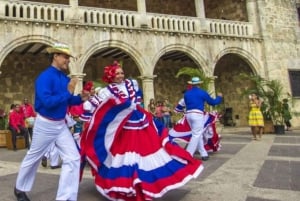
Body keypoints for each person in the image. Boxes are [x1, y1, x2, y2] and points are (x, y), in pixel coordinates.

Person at [80, 61, 203, 201]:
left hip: (140, 122)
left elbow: (136, 100)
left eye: (122, 73)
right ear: (111, 76)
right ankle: (129, 185)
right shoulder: (106, 91)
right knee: (126, 155)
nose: (120, 76)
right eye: (117, 73)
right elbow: (94, 104)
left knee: (149, 149)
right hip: (124, 127)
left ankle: (145, 182)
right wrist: (87, 105)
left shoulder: (131, 84)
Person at [14, 43, 89, 201]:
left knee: (74, 157)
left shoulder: (63, 77)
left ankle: (66, 197)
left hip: (60, 124)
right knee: (34, 156)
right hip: (45, 124)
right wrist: (68, 91)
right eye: (65, 57)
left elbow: (67, 100)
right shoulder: (45, 77)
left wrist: (81, 98)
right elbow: (47, 102)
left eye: (68, 57)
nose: (68, 60)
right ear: (55, 56)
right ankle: (20, 188)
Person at [175, 77, 222, 161]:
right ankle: (188, 154)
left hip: (188, 115)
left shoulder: (187, 94)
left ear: (192, 84)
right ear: (199, 84)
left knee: (197, 134)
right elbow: (212, 102)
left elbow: (182, 105)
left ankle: (204, 154)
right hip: (197, 114)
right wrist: (219, 97)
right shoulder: (202, 92)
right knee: (196, 135)